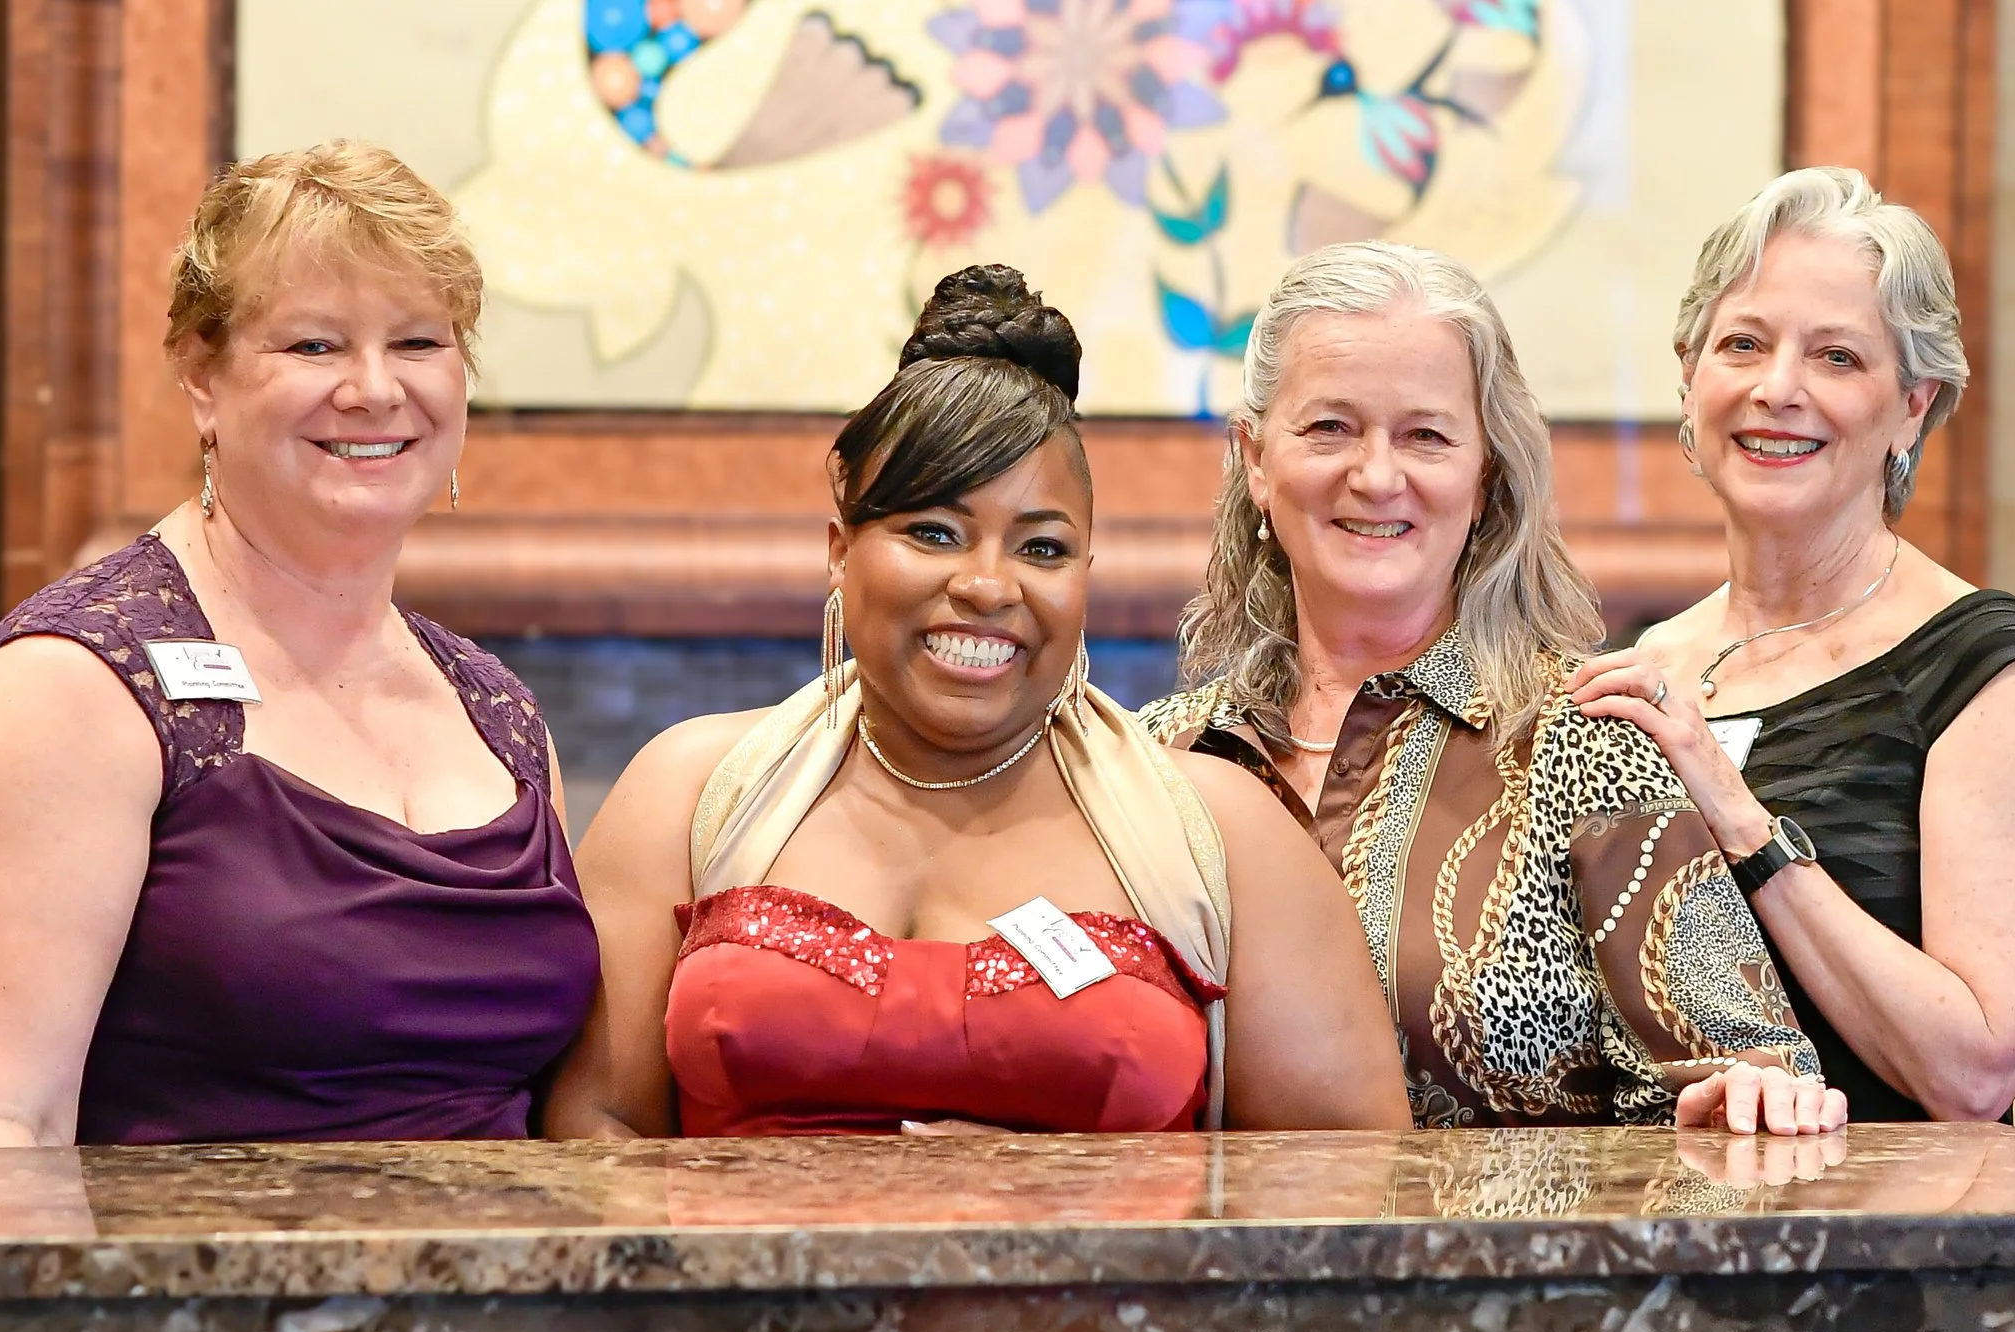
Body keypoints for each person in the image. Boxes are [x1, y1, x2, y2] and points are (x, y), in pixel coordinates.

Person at [553, 267, 1408, 1139]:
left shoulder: (1226, 831)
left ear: (1085, 579)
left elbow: (1349, 1180)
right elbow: (594, 1125)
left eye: (1041, 547)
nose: (988, 585)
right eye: (934, 533)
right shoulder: (686, 792)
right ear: (841, 551)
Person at [0, 142, 598, 1144]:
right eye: (313, 346)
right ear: (200, 380)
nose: (372, 390)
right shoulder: (66, 688)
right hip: (190, 1299)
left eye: (417, 343)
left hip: (514, 1293)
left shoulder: (497, 708)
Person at [1140, 240, 1837, 1134]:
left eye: (1425, 435)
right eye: (1330, 427)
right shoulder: (1151, 762)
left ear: (1486, 478)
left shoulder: (1589, 745)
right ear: (1255, 458)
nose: (1377, 475)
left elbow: (1748, 1078)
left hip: (1515, 1272)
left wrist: (1746, 1095)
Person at [1567, 165, 2015, 1123]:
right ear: (1690, 380)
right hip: (1658, 1239)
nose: (1777, 389)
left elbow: (1974, 1073)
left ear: (1912, 406)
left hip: (1887, 1253)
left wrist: (1736, 813)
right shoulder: (1645, 664)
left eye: (1837, 358)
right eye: (1742, 344)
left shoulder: (1984, 668)